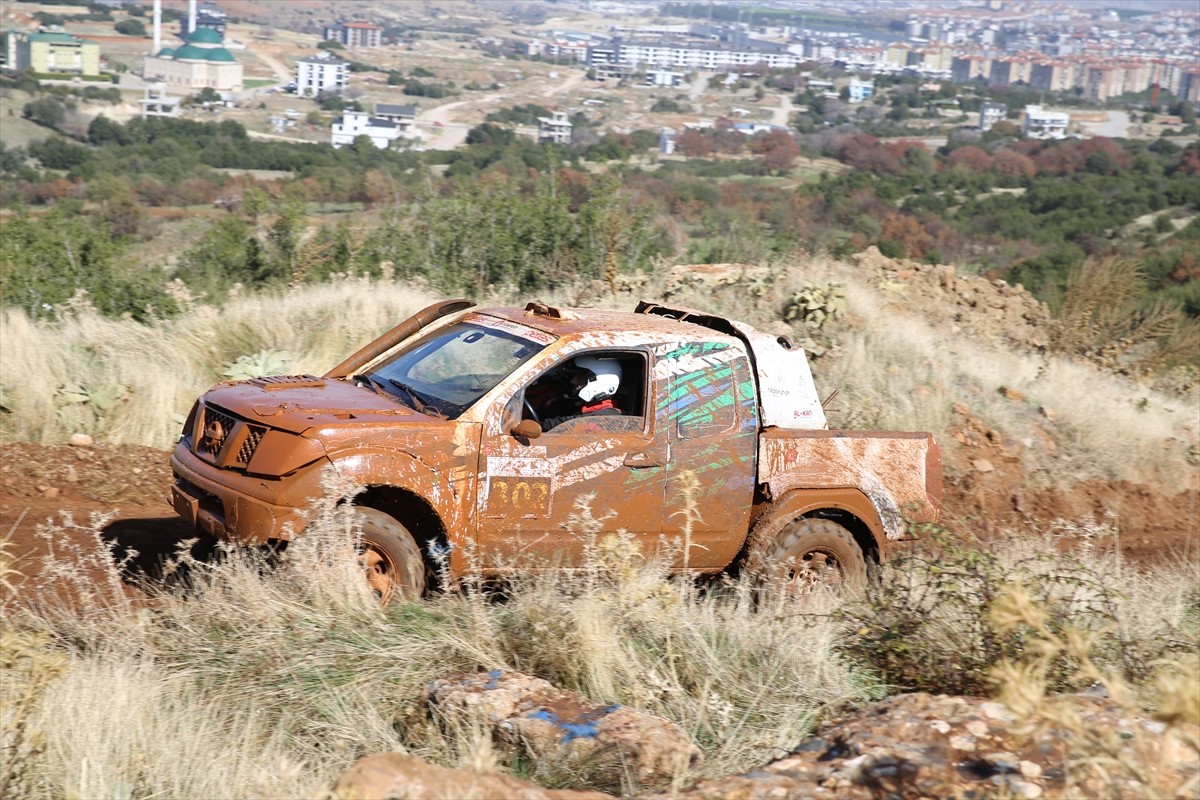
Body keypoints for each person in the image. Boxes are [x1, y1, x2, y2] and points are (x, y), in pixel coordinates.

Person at [539, 357, 623, 431]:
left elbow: (572, 424)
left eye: (580, 377)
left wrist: (540, 425)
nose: (573, 381)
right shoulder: (584, 408)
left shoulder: (607, 418)